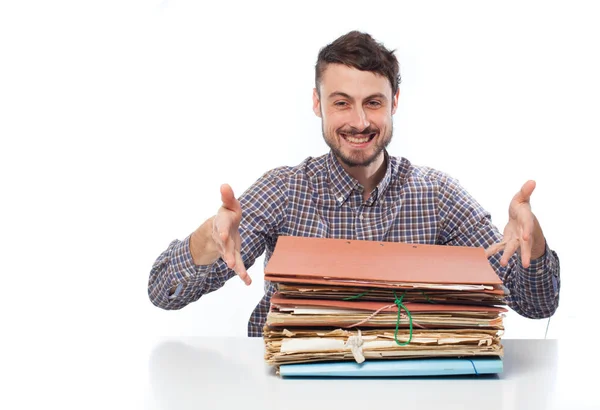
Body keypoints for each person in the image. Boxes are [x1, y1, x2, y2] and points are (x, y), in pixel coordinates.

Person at [148, 30, 560, 337]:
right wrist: (208, 239)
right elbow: (163, 292)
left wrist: (533, 243)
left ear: (395, 102)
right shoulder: (284, 191)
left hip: (407, 388)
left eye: (373, 103)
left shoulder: (437, 196)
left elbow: (537, 304)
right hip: (286, 390)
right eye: (341, 102)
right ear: (317, 104)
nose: (359, 122)